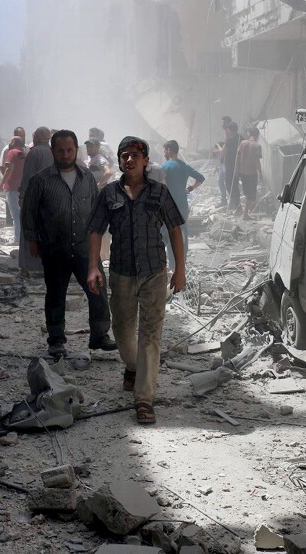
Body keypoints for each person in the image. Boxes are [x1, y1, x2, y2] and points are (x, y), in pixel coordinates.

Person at [87, 136, 186, 425]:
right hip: (121, 273)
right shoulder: (109, 195)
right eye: (124, 155)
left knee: (150, 335)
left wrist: (180, 269)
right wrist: (93, 266)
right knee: (122, 333)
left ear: (145, 160)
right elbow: (95, 230)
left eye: (134, 155)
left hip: (154, 271)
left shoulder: (160, 192)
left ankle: (144, 400)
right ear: (118, 160)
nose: (128, 160)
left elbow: (175, 229)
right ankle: (132, 367)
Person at [22, 129, 117, 357]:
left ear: (76, 151)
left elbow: (95, 212)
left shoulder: (87, 179)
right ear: (53, 151)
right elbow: (29, 213)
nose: (65, 154)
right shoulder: (40, 181)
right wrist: (33, 240)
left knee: (98, 290)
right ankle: (56, 341)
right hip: (55, 248)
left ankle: (100, 336)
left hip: (85, 248)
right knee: (55, 295)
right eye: (61, 150)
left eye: (70, 150)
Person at [161, 139, 205, 270]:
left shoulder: (165, 167)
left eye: (165, 150)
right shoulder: (184, 166)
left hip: (169, 207)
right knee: (183, 233)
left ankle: (173, 266)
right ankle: (182, 263)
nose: (164, 152)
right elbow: (201, 178)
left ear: (168, 150)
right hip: (183, 206)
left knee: (169, 234)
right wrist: (190, 189)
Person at [18, 127, 53, 275]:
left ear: (37, 137)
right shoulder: (55, 152)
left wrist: (22, 196)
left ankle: (28, 267)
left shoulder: (35, 153)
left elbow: (28, 177)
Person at [0, 136, 26, 244]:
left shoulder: (12, 152)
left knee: (15, 214)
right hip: (23, 188)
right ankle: (23, 238)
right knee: (22, 214)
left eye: (10, 141)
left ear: (14, 142)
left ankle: (17, 238)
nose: (9, 143)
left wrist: (2, 183)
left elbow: (9, 169)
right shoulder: (24, 154)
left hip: (12, 187)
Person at [235, 126, 262, 220]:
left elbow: (238, 158)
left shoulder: (242, 143)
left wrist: (236, 170)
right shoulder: (258, 146)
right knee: (250, 195)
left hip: (242, 172)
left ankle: (245, 213)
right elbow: (257, 161)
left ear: (249, 134)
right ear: (257, 135)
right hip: (252, 173)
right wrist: (261, 174)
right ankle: (245, 215)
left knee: (247, 194)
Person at [221, 121, 241, 211]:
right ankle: (236, 204)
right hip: (238, 165)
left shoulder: (229, 140)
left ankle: (236, 205)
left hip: (229, 165)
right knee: (235, 184)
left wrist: (219, 151)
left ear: (230, 130)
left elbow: (223, 151)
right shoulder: (241, 138)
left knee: (229, 185)